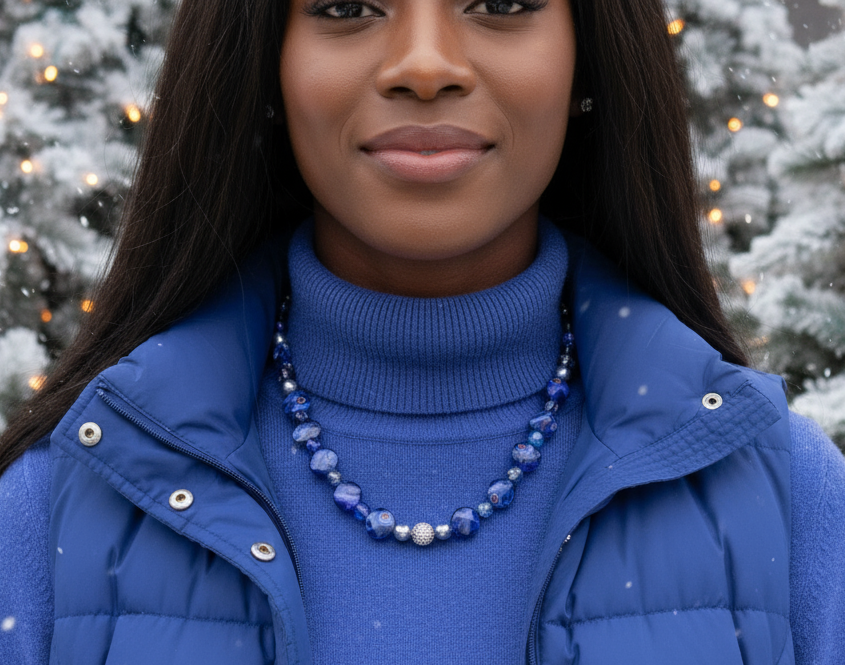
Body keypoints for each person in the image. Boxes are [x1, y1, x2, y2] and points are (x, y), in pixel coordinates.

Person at [1, 0, 844, 662]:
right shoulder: (56, 513)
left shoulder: (789, 499)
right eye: (343, 6)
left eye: (503, 1)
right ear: (263, 65)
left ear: (588, 54)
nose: (425, 65)